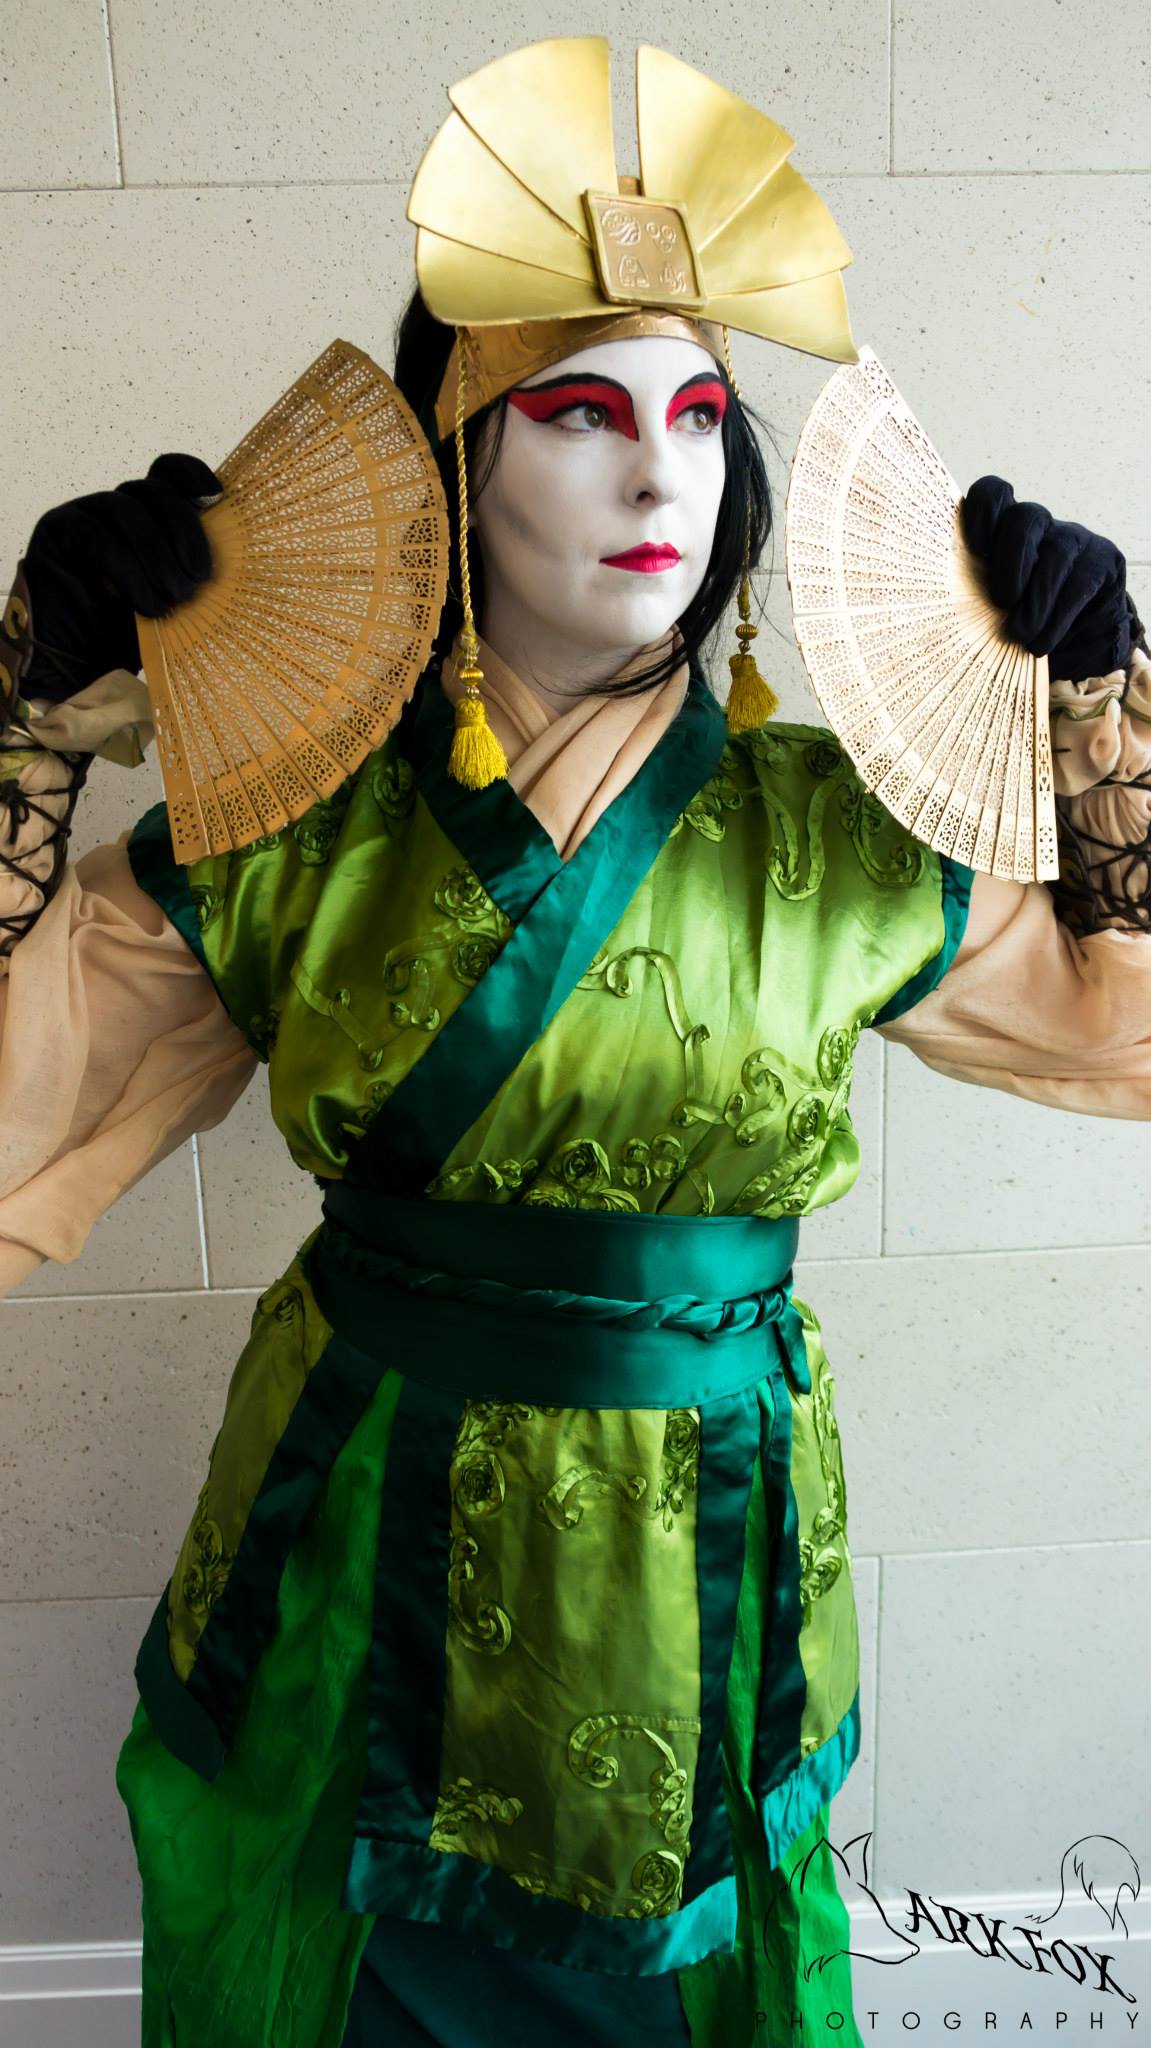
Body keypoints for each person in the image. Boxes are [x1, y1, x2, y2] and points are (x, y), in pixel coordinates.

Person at [1, 36, 1148, 2048]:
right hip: (356, 1525)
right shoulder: (283, 835)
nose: (657, 475)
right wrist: (28, 725)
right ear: (455, 461)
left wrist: (1105, 721)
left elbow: (1121, 1031)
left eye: (700, 416)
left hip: (707, 1541)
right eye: (580, 414)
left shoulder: (846, 841)